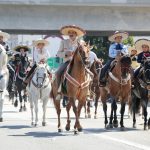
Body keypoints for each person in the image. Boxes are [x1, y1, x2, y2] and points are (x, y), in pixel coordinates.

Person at [56, 25, 86, 99]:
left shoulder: (81, 43)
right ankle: (59, 91)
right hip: (67, 62)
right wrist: (66, 54)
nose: (71, 34)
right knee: (58, 73)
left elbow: (86, 52)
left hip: (79, 64)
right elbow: (58, 54)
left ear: (76, 34)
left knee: (90, 74)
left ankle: (87, 92)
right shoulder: (63, 42)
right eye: (69, 32)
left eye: (72, 32)